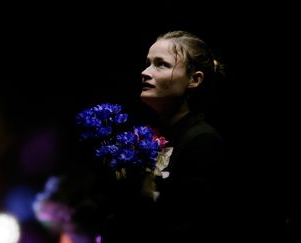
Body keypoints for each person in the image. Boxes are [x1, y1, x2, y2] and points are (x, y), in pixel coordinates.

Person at [98, 30, 230, 242]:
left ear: (194, 80)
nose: (145, 72)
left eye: (161, 64)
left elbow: (190, 225)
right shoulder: (146, 135)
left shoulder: (203, 141)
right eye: (148, 62)